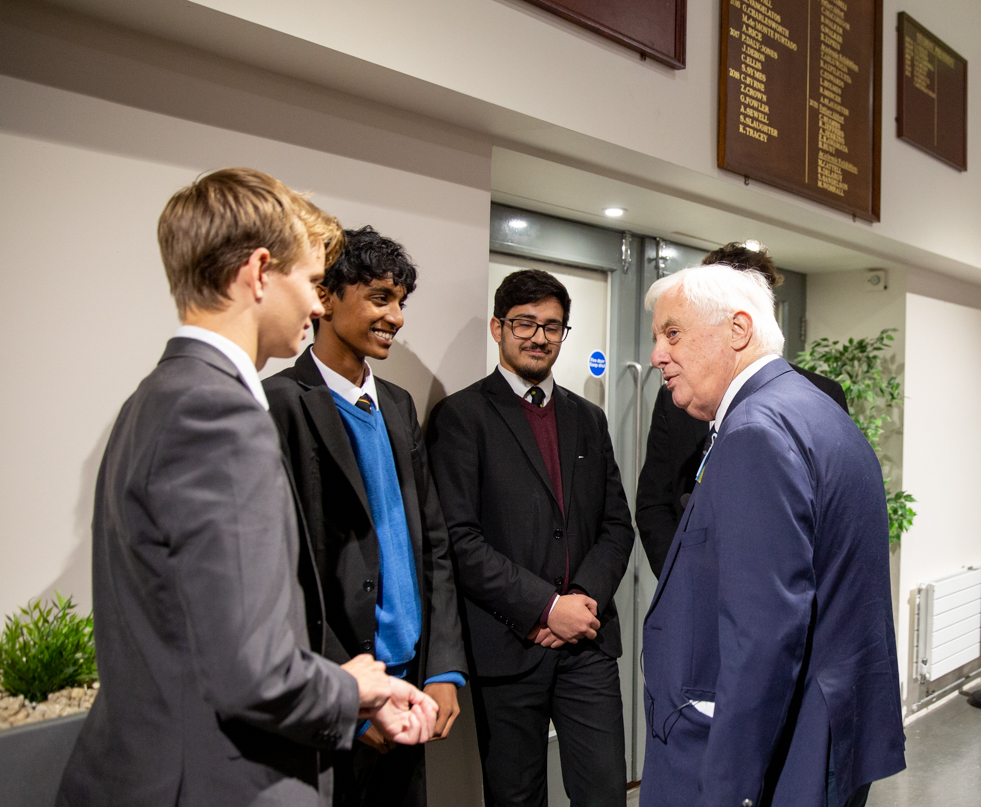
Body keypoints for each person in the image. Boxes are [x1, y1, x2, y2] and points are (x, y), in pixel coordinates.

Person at [57, 169, 437, 807]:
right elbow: (253, 672)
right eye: (313, 283)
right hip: (212, 778)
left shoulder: (154, 397)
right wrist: (356, 691)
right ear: (261, 272)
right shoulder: (220, 414)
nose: (319, 305)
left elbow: (206, 635)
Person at [640, 264, 905, 807]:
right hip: (830, 730)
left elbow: (763, 633)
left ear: (738, 331)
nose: (657, 356)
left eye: (673, 333)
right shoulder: (816, 411)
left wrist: (730, 790)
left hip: (776, 754)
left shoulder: (756, 432)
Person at [263, 225, 467, 807]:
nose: (397, 317)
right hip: (338, 688)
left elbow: (434, 543)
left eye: (401, 301)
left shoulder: (398, 406)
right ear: (326, 298)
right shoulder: (278, 405)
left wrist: (445, 668)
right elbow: (284, 578)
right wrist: (348, 703)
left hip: (412, 681)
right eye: (380, 297)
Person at [426, 269, 634, 807]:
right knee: (514, 797)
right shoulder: (461, 416)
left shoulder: (589, 419)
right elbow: (459, 539)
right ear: (498, 328)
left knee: (605, 793)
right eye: (525, 323)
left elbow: (616, 525)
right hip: (508, 642)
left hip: (587, 639)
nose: (539, 337)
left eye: (553, 326)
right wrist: (545, 608)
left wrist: (580, 602)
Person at [636, 241, 849, 577]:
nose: (658, 357)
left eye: (673, 333)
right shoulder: (676, 397)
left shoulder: (818, 398)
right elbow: (654, 503)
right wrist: (682, 584)